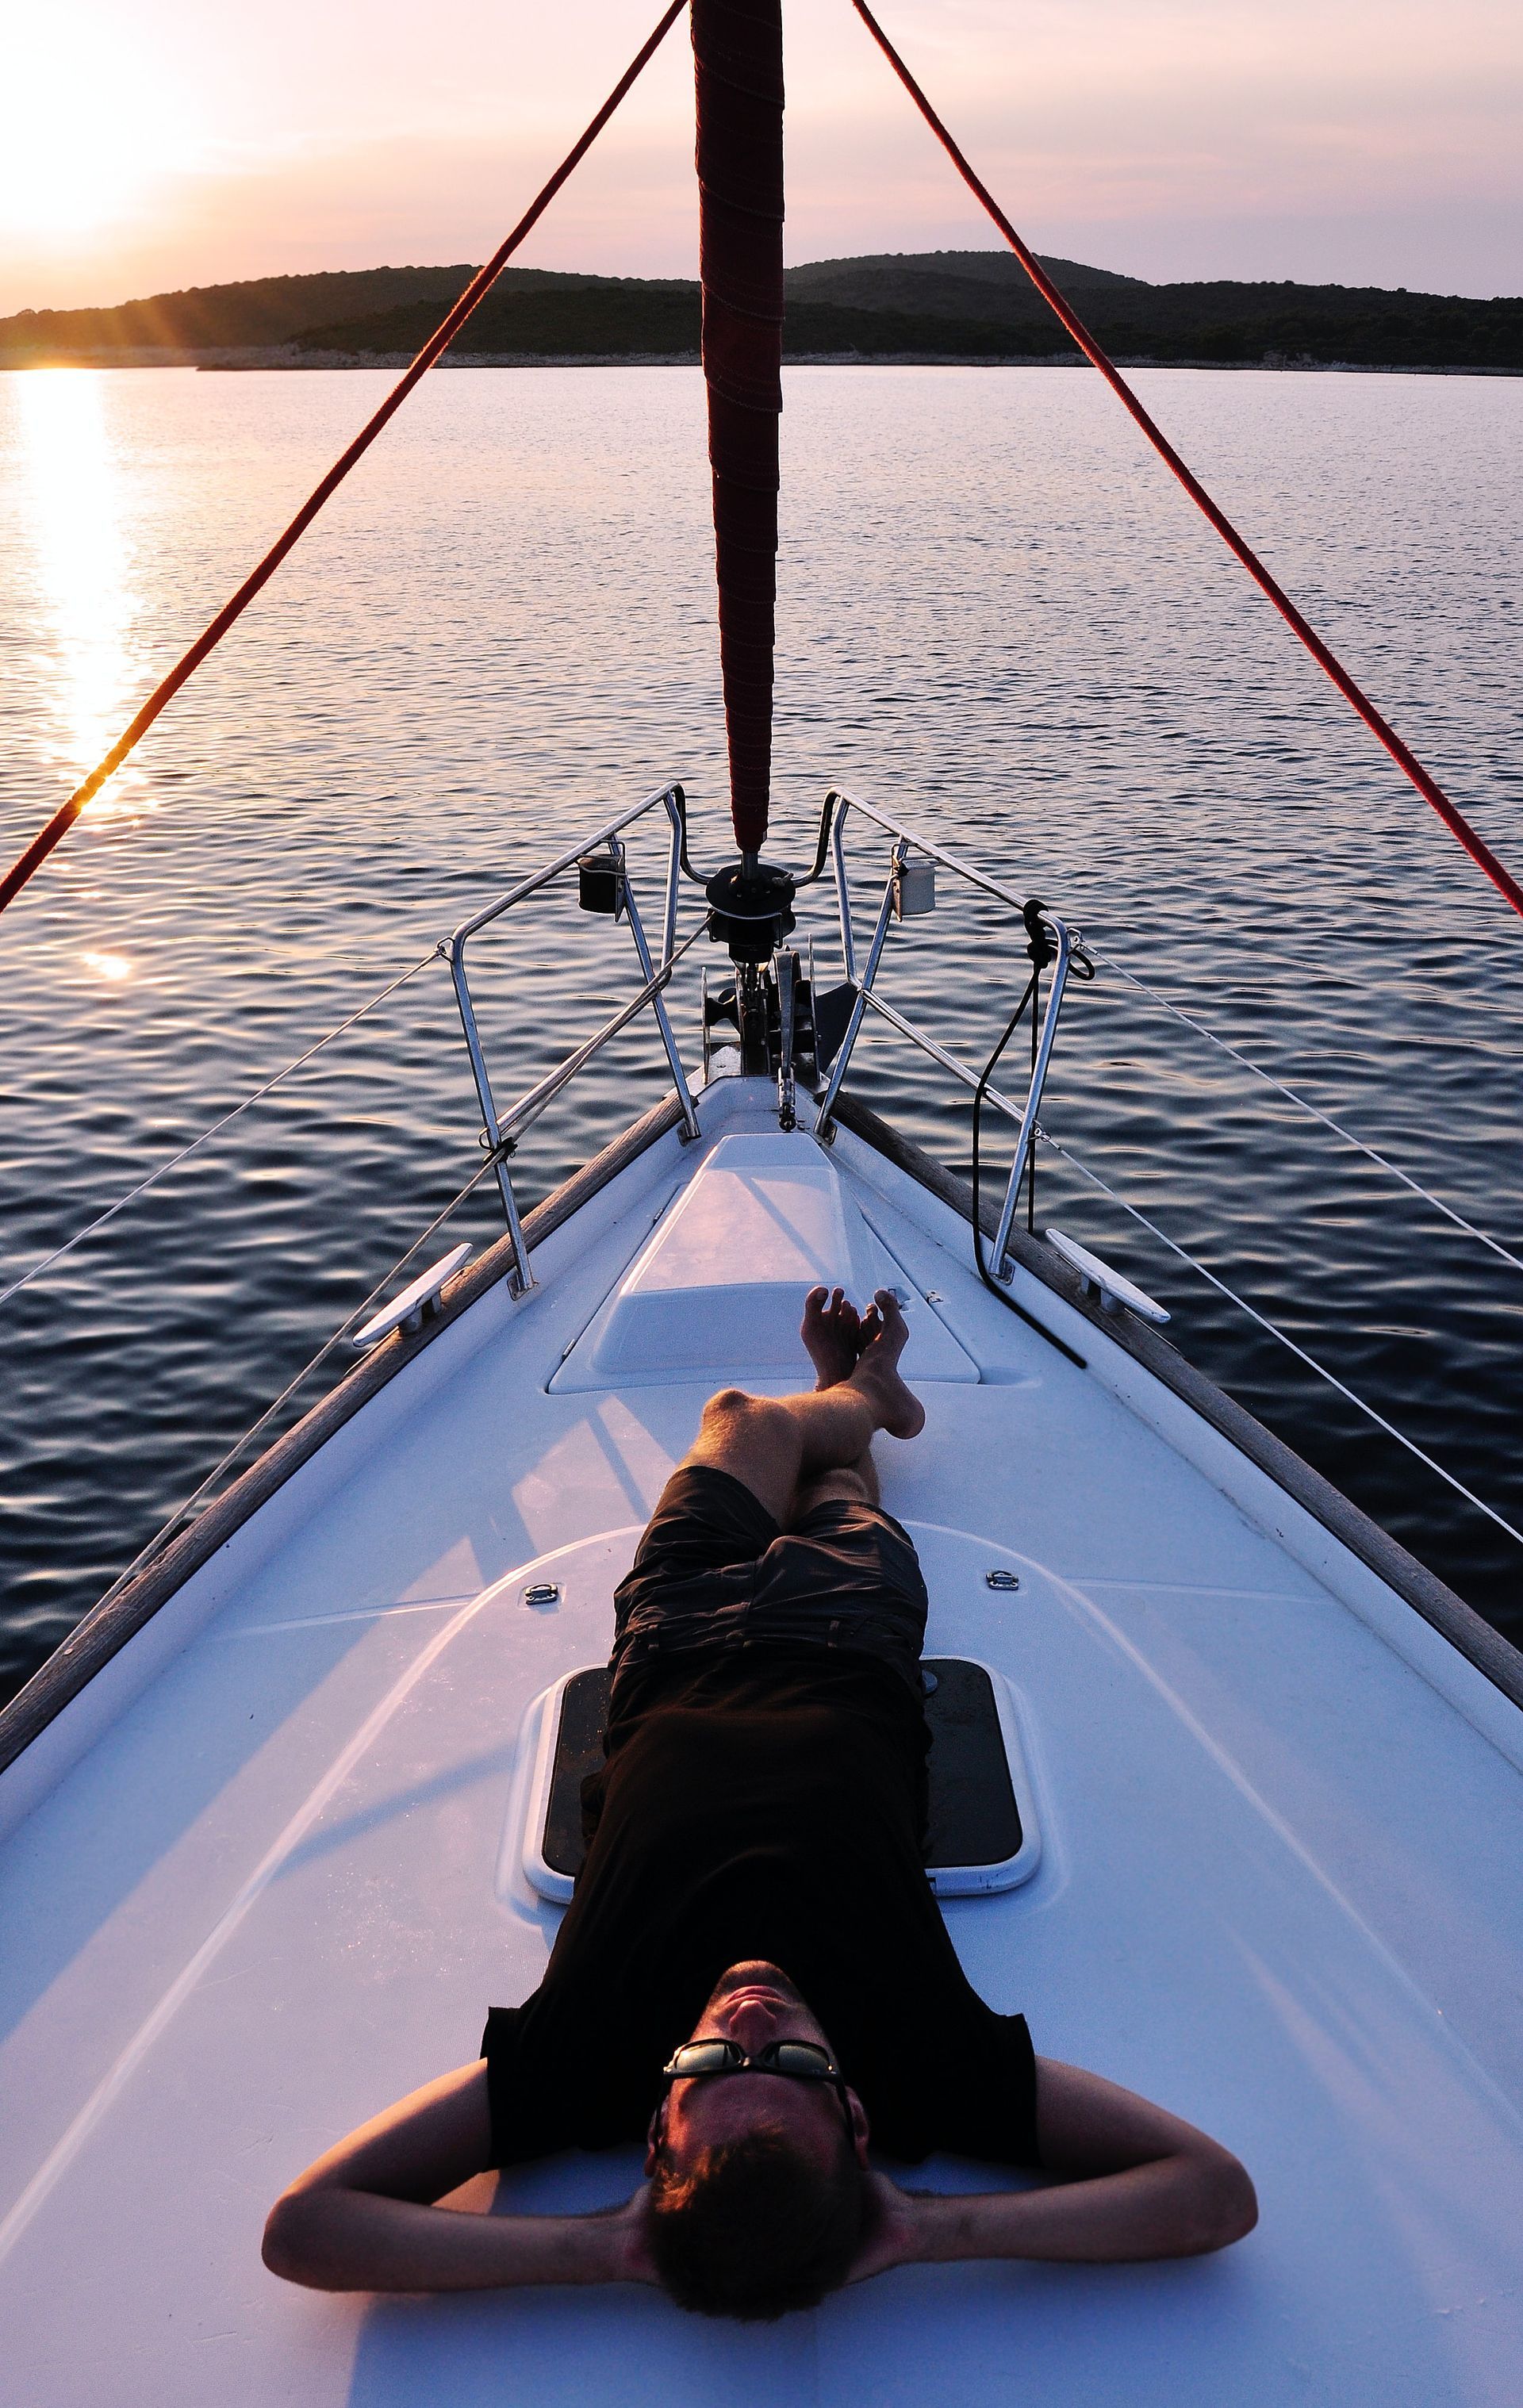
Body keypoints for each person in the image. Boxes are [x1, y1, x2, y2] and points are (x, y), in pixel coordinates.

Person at [263, 1286, 1256, 2318]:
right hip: (848, 1634)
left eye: (703, 2062)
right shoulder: (927, 2064)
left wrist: (603, 2249)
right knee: (838, 1490)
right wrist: (925, 2228)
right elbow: (1211, 2193)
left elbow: (307, 2227)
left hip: (676, 1638)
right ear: (859, 2119)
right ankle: (864, 1398)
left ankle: (863, 1393)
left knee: (740, 1416)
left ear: (657, 2130)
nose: (748, 2014)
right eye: (791, 2059)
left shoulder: (582, 2065)